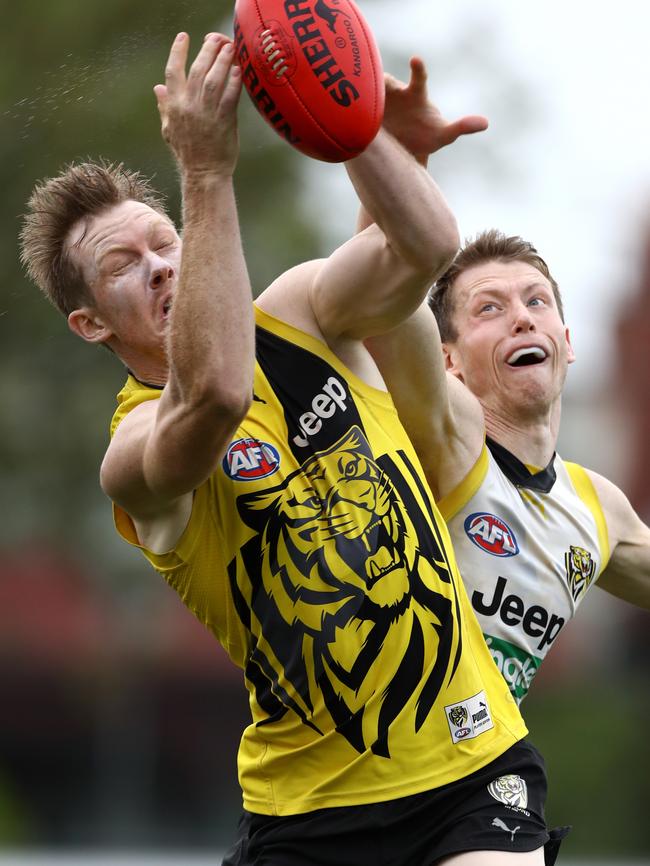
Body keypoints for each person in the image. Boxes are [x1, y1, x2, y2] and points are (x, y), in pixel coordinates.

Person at [20, 32, 564, 866]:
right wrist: (205, 175)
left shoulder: (301, 311)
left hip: (471, 767)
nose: (162, 266)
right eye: (124, 267)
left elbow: (425, 248)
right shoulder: (134, 457)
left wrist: (373, 140)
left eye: (166, 242)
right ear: (90, 323)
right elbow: (215, 392)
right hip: (308, 815)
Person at [366, 62, 650, 706]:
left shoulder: (597, 509)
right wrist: (384, 148)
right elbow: (380, 306)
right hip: (375, 785)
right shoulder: (448, 435)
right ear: (448, 362)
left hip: (478, 776)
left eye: (537, 301)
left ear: (568, 343)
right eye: (489, 308)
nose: (522, 315)